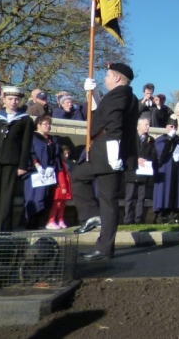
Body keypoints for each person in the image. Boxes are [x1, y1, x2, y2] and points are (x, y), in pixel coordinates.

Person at [72, 62, 140, 261]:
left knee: (107, 200)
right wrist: (94, 93)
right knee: (81, 178)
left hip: (107, 155)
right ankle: (94, 219)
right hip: (104, 154)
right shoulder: (124, 95)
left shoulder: (120, 95)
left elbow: (113, 123)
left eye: (108, 75)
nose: (105, 78)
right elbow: (102, 113)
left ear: (117, 78)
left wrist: (113, 152)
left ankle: (103, 245)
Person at [0, 86, 35, 231]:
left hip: (12, 162)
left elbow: (26, 144)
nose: (13, 102)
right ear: (4, 99)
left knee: (7, 197)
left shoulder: (25, 119)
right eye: (10, 99)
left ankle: (2, 231)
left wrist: (22, 165)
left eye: (16, 99)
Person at [23, 114, 62, 229]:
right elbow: (30, 152)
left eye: (49, 124)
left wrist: (52, 166)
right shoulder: (32, 137)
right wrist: (37, 165)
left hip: (48, 173)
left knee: (44, 198)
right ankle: (29, 222)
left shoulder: (52, 139)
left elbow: (56, 155)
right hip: (34, 172)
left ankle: (38, 222)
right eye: (45, 124)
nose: (48, 126)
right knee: (33, 197)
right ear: (38, 125)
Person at [153, 117, 179, 224]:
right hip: (165, 170)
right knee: (164, 192)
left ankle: (173, 215)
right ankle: (161, 215)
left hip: (176, 171)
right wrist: (169, 139)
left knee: (175, 192)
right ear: (166, 127)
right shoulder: (160, 140)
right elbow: (161, 154)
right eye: (171, 126)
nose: (173, 129)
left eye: (175, 127)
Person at [123, 117, 156, 225]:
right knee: (129, 197)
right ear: (139, 125)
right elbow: (126, 153)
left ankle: (138, 219)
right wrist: (136, 159)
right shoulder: (131, 138)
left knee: (141, 197)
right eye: (146, 124)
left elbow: (154, 155)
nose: (148, 127)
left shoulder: (151, 140)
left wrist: (148, 161)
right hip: (132, 171)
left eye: (149, 125)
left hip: (144, 172)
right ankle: (128, 218)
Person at [47, 145, 72, 229]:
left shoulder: (65, 163)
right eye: (65, 153)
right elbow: (60, 175)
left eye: (68, 153)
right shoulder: (60, 163)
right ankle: (51, 221)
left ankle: (60, 220)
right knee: (56, 205)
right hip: (60, 188)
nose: (67, 155)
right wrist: (63, 186)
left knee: (62, 205)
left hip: (64, 187)